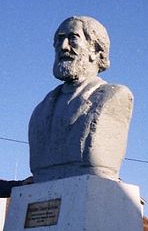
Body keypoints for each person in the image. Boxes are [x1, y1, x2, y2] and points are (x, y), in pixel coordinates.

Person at [28, 16, 134, 183]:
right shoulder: (40, 111)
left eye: (73, 39)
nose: (63, 47)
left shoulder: (113, 97)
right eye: (59, 39)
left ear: (96, 51)